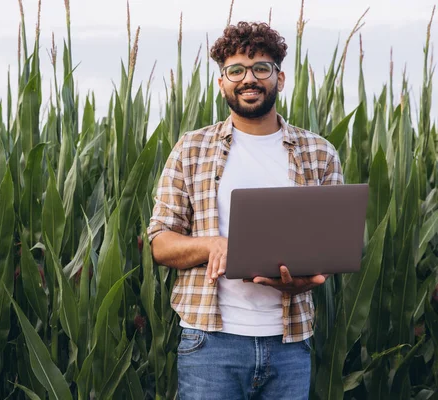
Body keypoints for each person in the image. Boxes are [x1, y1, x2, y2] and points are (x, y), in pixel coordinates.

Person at [147, 21, 343, 399]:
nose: (248, 79)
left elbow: (333, 246)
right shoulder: (192, 149)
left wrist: (304, 279)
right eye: (235, 70)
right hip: (210, 345)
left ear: (280, 78)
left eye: (261, 69)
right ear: (222, 82)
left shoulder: (319, 154)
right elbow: (159, 242)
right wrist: (212, 245)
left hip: (289, 344)